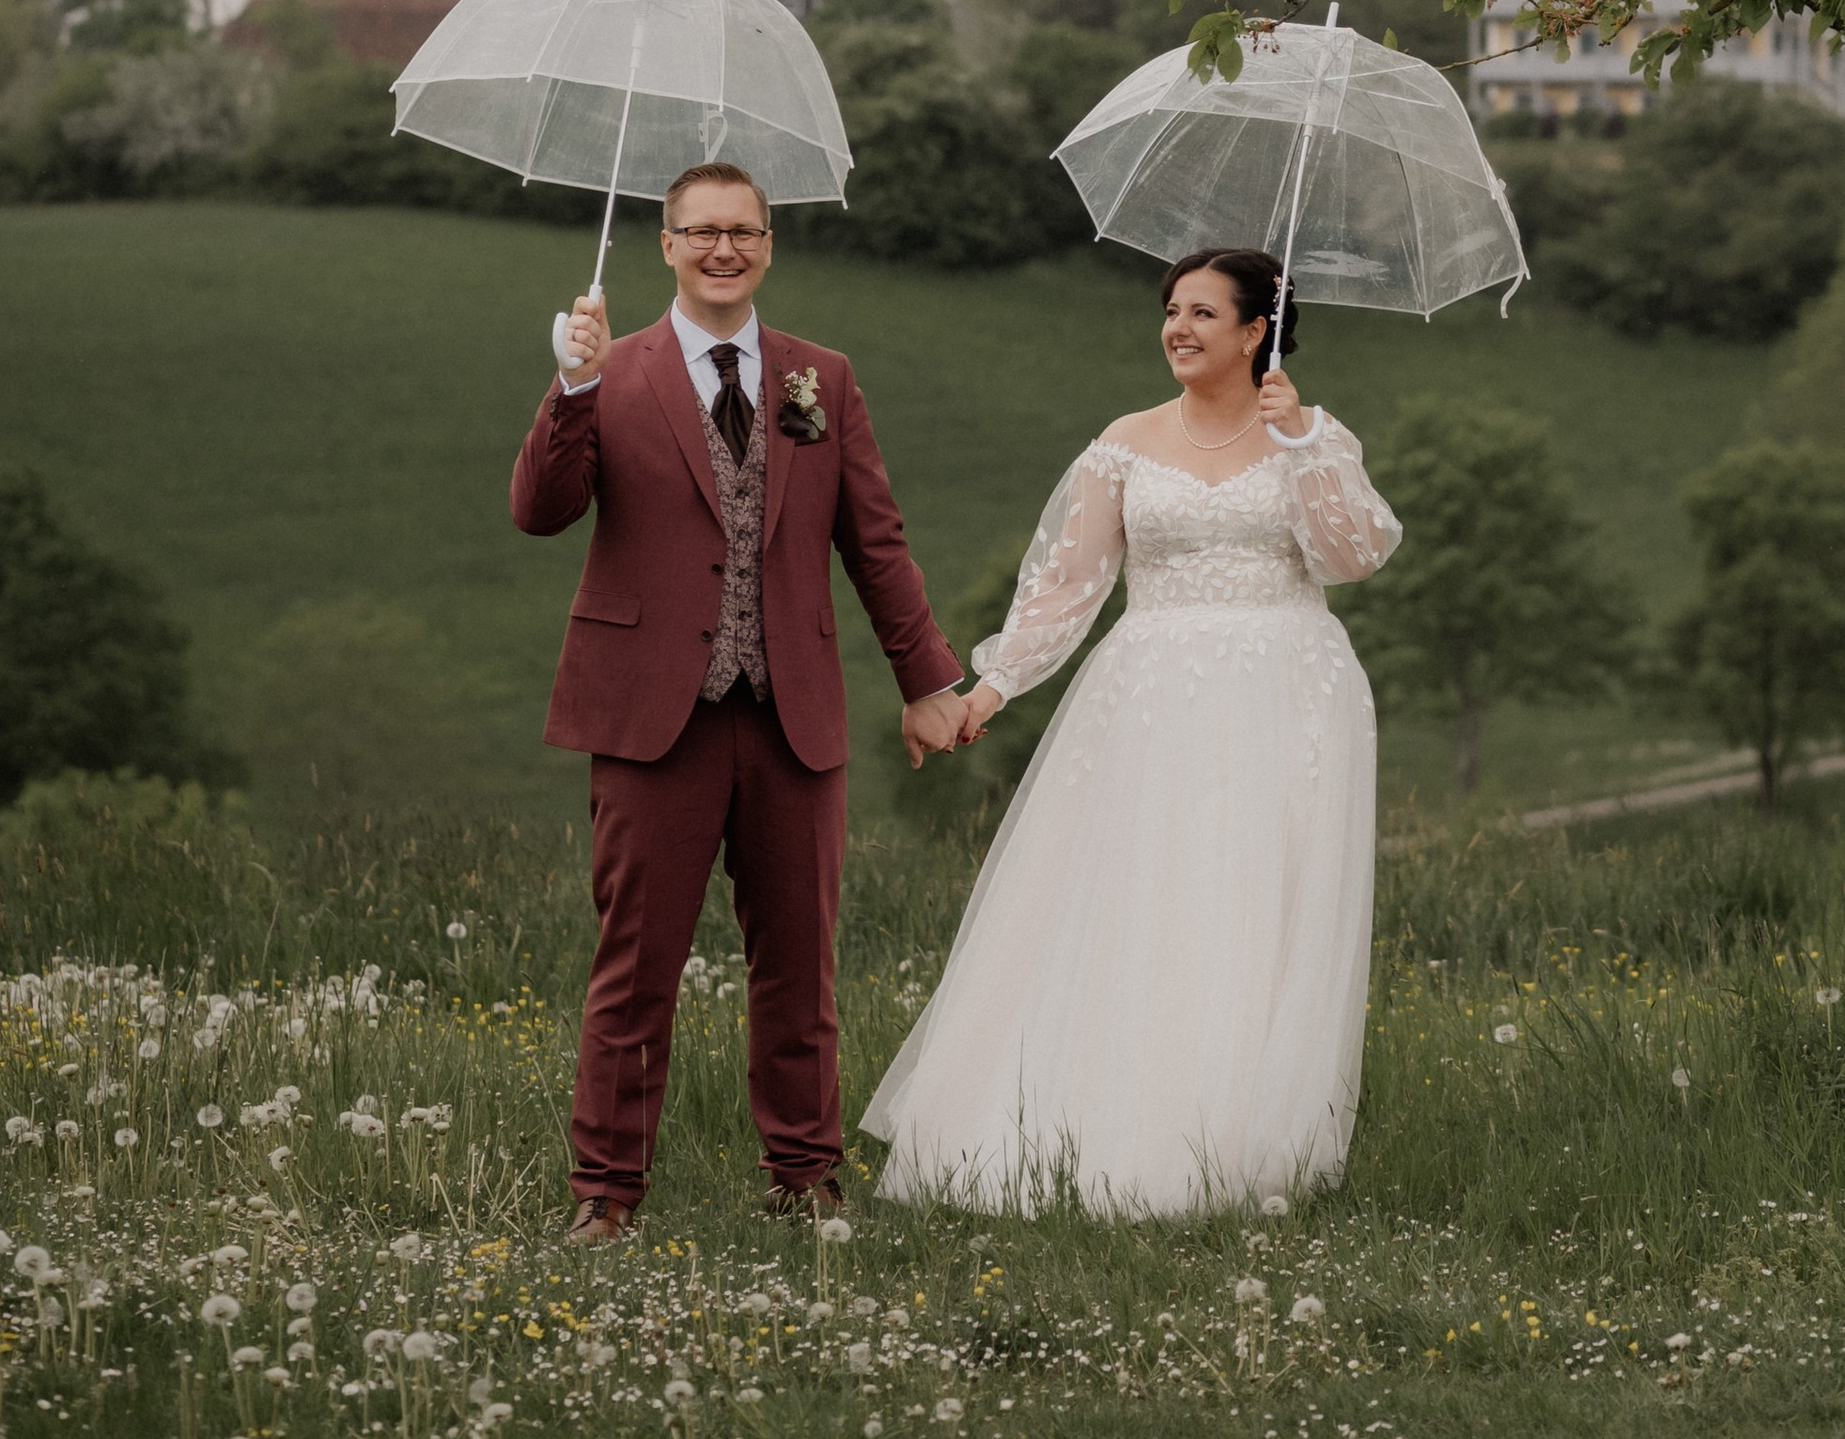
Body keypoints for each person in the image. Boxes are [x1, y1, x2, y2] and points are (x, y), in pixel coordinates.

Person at [862, 246, 1401, 1214]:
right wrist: (985, 691)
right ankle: (1092, 1124)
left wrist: (1306, 438)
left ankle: (1237, 1140)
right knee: (1141, 896)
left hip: (1289, 690)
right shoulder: (1124, 440)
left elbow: (1352, 555)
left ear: (1255, 331)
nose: (1179, 327)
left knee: (1258, 905)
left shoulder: (1314, 435)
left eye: (1204, 311)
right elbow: (1067, 588)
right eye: (1171, 309)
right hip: (1151, 696)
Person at [510, 156, 969, 1239]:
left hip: (789, 713)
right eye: (702, 230)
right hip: (646, 714)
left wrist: (927, 680)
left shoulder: (823, 377)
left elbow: (877, 541)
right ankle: (605, 1193)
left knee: (800, 963)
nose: (725, 248)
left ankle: (804, 1176)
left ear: (769, 244)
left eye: (745, 231)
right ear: (664, 243)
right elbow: (540, 509)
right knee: (635, 964)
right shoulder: (608, 370)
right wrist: (568, 388)